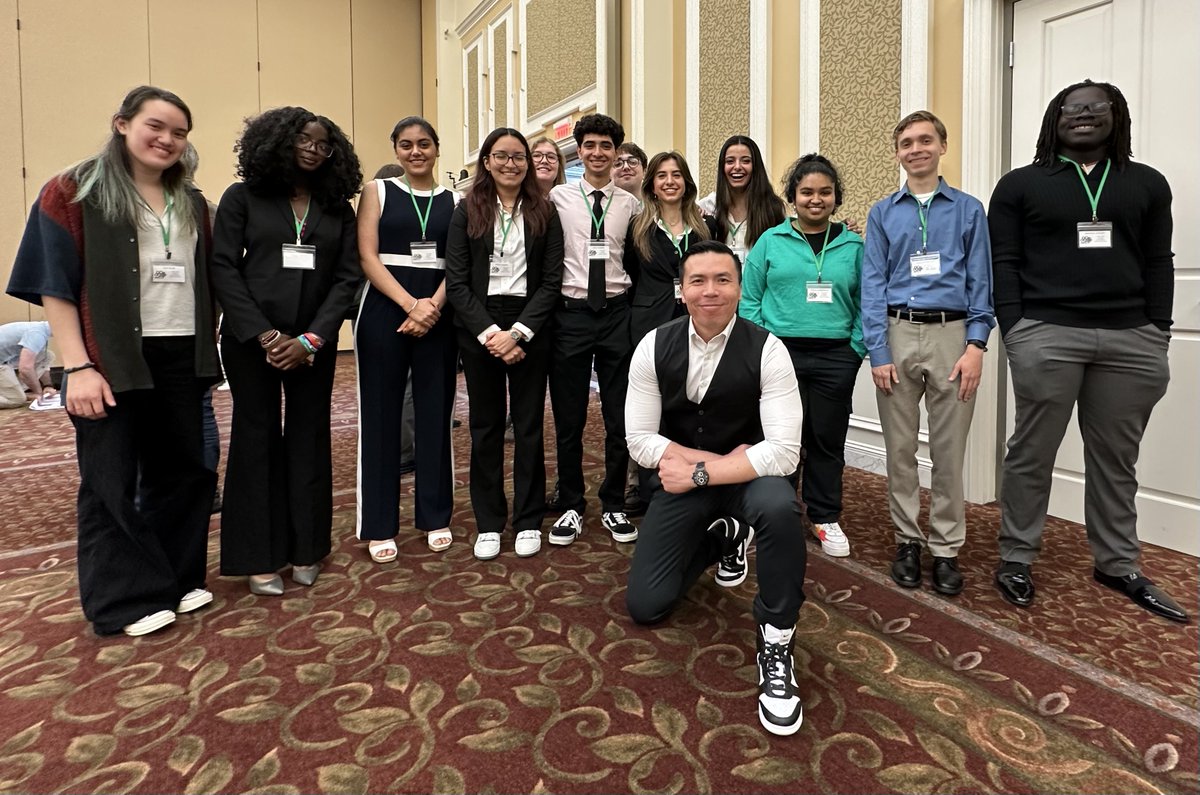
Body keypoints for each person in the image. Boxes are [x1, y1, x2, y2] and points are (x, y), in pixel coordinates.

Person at [7, 85, 220, 637]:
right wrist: (76, 366)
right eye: (156, 126)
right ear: (122, 123)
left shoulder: (192, 201)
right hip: (109, 356)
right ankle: (122, 600)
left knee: (185, 470)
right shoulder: (72, 191)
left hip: (181, 351)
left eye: (179, 132)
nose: (167, 140)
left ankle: (175, 577)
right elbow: (54, 285)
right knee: (110, 477)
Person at [988, 80, 1186, 623]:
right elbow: (1002, 263)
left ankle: (1117, 562)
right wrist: (1016, 330)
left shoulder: (1146, 183)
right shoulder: (1020, 185)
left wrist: (1158, 331)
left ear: (1116, 116)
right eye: (1072, 109)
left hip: (1131, 339)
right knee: (1031, 452)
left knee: (1117, 460)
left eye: (1096, 107)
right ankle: (1017, 556)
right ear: (1055, 118)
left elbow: (1157, 262)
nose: (1083, 116)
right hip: (1046, 332)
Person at [625, 240, 807, 736]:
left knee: (780, 507)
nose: (711, 291)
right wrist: (703, 466)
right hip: (687, 479)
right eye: (698, 281)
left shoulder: (769, 350)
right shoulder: (652, 345)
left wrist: (705, 471)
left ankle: (776, 642)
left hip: (746, 482)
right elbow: (639, 440)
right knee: (646, 607)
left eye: (723, 280)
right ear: (680, 291)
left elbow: (785, 453)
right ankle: (723, 538)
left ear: (739, 287)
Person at [210, 107, 363, 595]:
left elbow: (348, 276)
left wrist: (312, 339)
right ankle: (258, 557)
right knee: (255, 441)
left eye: (324, 144)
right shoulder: (243, 197)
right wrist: (266, 336)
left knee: (308, 437)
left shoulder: (337, 205)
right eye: (305, 140)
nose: (314, 150)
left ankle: (307, 548)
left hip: (313, 343)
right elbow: (224, 268)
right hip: (251, 341)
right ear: (278, 140)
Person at [861, 111, 994, 596]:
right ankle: (907, 541)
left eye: (925, 140)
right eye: (906, 143)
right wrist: (877, 349)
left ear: (942, 146)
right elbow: (872, 284)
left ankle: (945, 549)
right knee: (899, 449)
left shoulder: (968, 210)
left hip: (952, 336)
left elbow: (982, 281)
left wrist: (977, 344)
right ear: (897, 153)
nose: (915, 149)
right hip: (896, 332)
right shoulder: (882, 213)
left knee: (948, 451)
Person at [445, 128, 564, 560]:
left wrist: (519, 332)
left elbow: (552, 282)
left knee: (530, 425)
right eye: (502, 156)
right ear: (488, 161)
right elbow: (456, 283)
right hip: (480, 325)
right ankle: (489, 521)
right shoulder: (467, 210)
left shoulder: (544, 212)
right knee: (486, 426)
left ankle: (529, 518)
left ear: (528, 163)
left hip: (530, 323)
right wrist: (491, 334)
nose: (511, 164)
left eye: (519, 157)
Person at [739, 154, 865, 558]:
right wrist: (763, 346)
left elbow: (868, 302)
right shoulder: (771, 242)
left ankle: (825, 515)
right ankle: (775, 511)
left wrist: (856, 349)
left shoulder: (854, 244)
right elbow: (750, 299)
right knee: (779, 438)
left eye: (825, 192)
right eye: (807, 191)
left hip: (835, 357)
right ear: (793, 196)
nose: (816, 199)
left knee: (827, 440)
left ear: (836, 197)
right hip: (781, 355)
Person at [356, 116, 460, 561]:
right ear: (395, 150)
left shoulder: (456, 200)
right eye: (406, 145)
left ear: (437, 148)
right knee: (380, 416)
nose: (415, 152)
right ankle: (380, 524)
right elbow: (367, 255)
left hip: (439, 309)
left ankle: (435, 515)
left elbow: (459, 262)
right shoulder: (377, 192)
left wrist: (432, 305)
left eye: (423, 144)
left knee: (436, 413)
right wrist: (409, 304)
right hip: (385, 307)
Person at [546, 113, 642, 546]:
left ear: (616, 152)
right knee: (569, 417)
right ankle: (570, 505)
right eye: (590, 145)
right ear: (578, 151)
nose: (598, 153)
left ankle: (614, 504)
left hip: (617, 315)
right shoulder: (559, 200)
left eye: (606, 146)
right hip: (571, 314)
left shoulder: (632, 205)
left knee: (619, 417)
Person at [698, 136, 786, 262]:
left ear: (755, 166)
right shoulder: (709, 206)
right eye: (730, 161)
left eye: (745, 161)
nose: (737, 167)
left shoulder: (773, 208)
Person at [0, 321, 56, 408]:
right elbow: (25, 368)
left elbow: (40, 361)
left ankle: (15, 392)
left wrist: (47, 386)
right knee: (17, 400)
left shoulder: (41, 330)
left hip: (5, 359)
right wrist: (38, 392)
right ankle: (15, 395)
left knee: (47, 356)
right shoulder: (37, 334)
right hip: (3, 362)